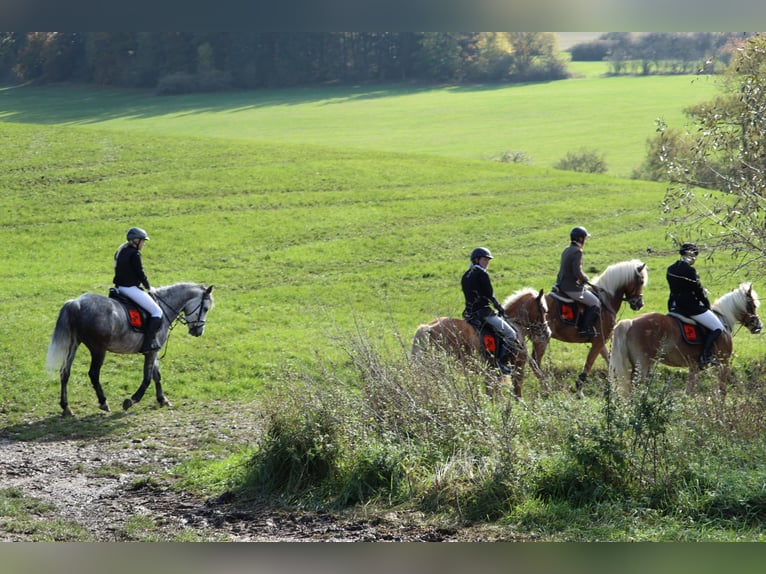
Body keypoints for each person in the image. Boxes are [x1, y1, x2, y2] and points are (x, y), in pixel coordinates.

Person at [461, 247, 521, 375]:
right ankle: (502, 364)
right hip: (483, 313)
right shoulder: (482, 274)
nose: (487, 262)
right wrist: (500, 308)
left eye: (488, 260)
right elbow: (489, 295)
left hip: (469, 314)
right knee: (511, 334)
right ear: (476, 260)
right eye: (484, 259)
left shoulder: (465, 275)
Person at [666, 242, 725, 369]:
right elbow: (698, 291)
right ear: (691, 255)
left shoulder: (670, 269)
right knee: (718, 327)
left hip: (674, 307)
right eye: (695, 255)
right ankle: (705, 356)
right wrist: (707, 305)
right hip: (690, 308)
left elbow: (672, 290)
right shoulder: (690, 270)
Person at [113, 227, 164, 353]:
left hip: (119, 288)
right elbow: (140, 273)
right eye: (143, 241)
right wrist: (148, 287)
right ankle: (147, 345)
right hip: (130, 289)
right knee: (157, 312)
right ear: (136, 241)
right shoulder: (134, 254)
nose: (144, 244)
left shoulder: (121, 251)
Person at [554, 226, 601, 338]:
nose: (585, 241)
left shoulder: (566, 249)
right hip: (570, 287)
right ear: (580, 239)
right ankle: (585, 329)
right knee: (595, 302)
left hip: (560, 284)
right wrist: (585, 279)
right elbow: (577, 271)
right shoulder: (577, 251)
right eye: (585, 238)